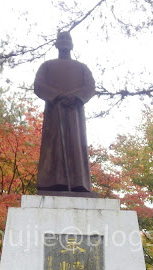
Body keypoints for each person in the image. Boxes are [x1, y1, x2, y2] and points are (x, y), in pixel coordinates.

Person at [33, 31, 96, 193]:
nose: (64, 45)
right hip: (55, 112)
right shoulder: (47, 66)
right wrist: (58, 95)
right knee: (53, 146)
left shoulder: (82, 68)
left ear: (72, 45)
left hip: (75, 112)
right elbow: (39, 85)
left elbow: (90, 87)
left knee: (76, 144)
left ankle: (78, 183)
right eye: (61, 42)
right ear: (56, 45)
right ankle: (52, 181)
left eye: (67, 42)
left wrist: (74, 96)